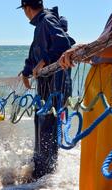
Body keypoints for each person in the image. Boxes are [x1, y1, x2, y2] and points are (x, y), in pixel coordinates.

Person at [17, 0, 76, 180]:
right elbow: (36, 52)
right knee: (44, 127)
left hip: (55, 87)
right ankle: (44, 172)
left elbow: (65, 45)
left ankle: (43, 177)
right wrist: (26, 72)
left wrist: (43, 62)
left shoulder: (46, 21)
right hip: (48, 86)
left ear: (27, 8)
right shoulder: (43, 23)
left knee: (47, 129)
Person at [59, 14, 112, 190]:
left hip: (107, 86)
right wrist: (84, 52)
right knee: (94, 154)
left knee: (105, 151)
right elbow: (104, 48)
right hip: (98, 84)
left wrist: (84, 50)